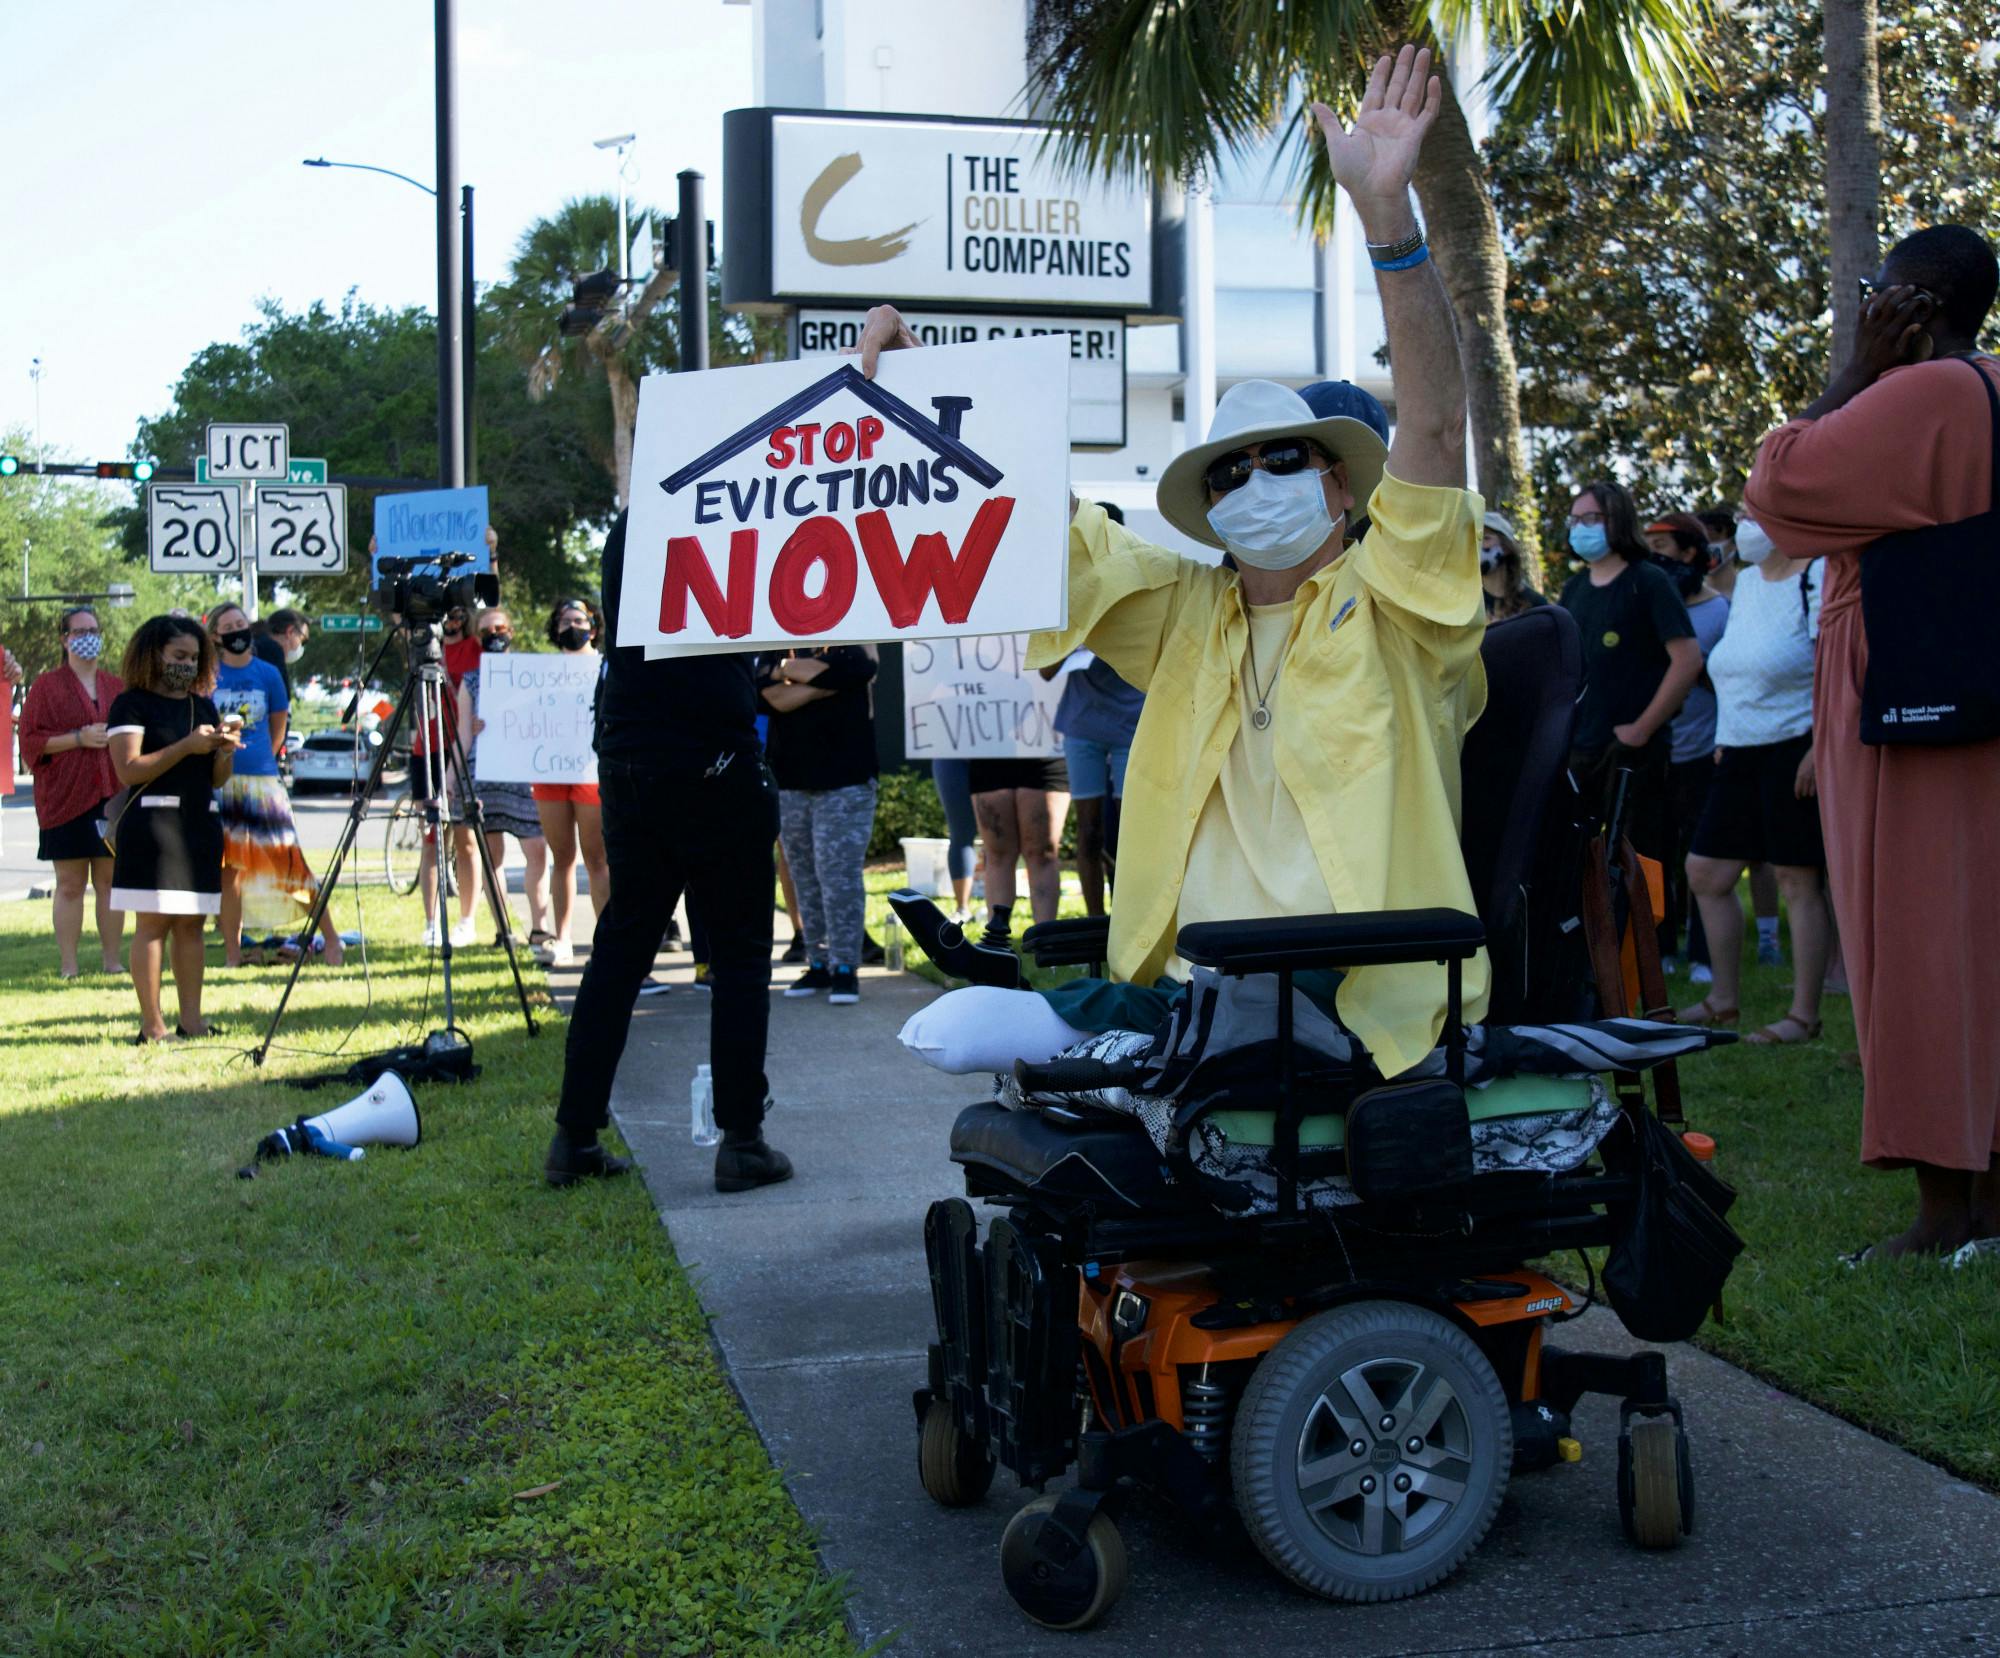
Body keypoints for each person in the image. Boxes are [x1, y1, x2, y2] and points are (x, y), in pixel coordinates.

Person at [886, 45, 1491, 1079]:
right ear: (1207, 513)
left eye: (1283, 459)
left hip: (1362, 1001)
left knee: (971, 1035)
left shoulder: (1400, 598)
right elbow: (1034, 519)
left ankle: (1102, 1029)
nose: (1256, 483)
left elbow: (1432, 423)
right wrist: (909, 387)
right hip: (1193, 986)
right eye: (1229, 473)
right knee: (951, 1041)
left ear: (1342, 485)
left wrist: (1386, 224)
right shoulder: (1182, 610)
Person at [1745, 223, 2000, 1258]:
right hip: (1969, 682)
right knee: (1971, 933)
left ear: (1909, 304)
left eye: (1869, 292)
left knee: (1911, 939)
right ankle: (1980, 1207)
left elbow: (1779, 488)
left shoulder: (1918, 391)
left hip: (1901, 687)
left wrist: (1847, 371)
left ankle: (1946, 1212)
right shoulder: (1986, 384)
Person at [548, 510, 790, 1193]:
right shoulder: (731, 510)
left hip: (631, 753)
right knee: (741, 953)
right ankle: (742, 1138)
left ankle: (575, 1133)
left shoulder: (631, 522)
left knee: (624, 946)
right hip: (712, 754)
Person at [1677, 515, 1828, 1043]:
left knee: (1796, 879)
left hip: (1795, 747)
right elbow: (1736, 665)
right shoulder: (1745, 585)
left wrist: (1819, 746)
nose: (1745, 524)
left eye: (1756, 512)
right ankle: (1723, 1001)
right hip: (1736, 748)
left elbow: (1838, 666)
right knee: (1707, 873)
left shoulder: (1821, 576)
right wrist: (1726, 730)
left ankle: (1804, 1017)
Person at [1558, 481, 1703, 877]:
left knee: (1640, 868)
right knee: (1576, 865)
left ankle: (1649, 940)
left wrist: (1642, 728)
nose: (1580, 528)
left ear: (1617, 520)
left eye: (1591, 518)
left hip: (1633, 755)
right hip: (1579, 749)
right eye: (1575, 519)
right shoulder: (1574, 589)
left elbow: (1687, 659)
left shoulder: (1648, 581)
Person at [105, 615, 240, 1041]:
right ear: (154, 654)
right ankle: (153, 1026)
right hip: (151, 827)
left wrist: (224, 750)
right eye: (179, 655)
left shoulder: (202, 706)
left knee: (191, 925)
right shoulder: (131, 704)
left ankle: (192, 1021)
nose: (187, 664)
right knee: (153, 924)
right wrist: (186, 746)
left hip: (198, 825)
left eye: (194, 657)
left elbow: (216, 778)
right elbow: (128, 770)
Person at [208, 604, 345, 968]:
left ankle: (332, 939)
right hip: (220, 784)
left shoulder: (267, 674)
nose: (237, 630)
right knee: (228, 872)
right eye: (228, 626)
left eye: (241, 624)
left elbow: (277, 726)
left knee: (289, 862)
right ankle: (233, 954)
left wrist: (260, 761)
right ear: (216, 635)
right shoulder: (207, 677)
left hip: (263, 782)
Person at [760, 644, 880, 1004]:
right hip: (791, 781)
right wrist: (826, 682)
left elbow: (859, 669)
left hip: (847, 780)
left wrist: (791, 676)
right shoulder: (775, 640)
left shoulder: (855, 639)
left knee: (838, 873)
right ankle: (818, 962)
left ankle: (845, 966)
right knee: (804, 875)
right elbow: (767, 696)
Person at [20, 606, 125, 977]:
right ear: (64, 639)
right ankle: (69, 965)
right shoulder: (46, 686)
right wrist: (78, 739)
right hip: (64, 798)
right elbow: (30, 741)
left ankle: (112, 961)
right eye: (79, 632)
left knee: (110, 882)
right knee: (69, 884)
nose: (87, 637)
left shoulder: (117, 686)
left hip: (112, 795)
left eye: (93, 629)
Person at [1646, 513, 1731, 969]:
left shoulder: (1720, 611)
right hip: (1656, 750)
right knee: (1655, 852)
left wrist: (1689, 666)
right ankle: (1660, 948)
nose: (1654, 561)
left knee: (1701, 854)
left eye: (1663, 551)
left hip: (1705, 750)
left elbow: (1728, 682)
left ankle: (1704, 956)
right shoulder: (1647, 603)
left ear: (1691, 554)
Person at [456, 606, 554, 952]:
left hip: (526, 773)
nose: (494, 634)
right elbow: (462, 734)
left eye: (499, 628)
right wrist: (454, 779)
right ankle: (504, 929)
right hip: (485, 772)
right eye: (486, 630)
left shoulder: (533, 673)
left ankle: (540, 926)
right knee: (491, 855)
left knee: (537, 849)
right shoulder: (470, 680)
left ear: (511, 630)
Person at [528, 598, 608, 966]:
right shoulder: (538, 671)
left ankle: (607, 942)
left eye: (578, 620)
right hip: (550, 772)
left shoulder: (607, 667)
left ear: (593, 627)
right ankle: (562, 940)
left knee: (597, 858)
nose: (570, 627)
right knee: (562, 857)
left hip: (591, 772)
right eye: (563, 621)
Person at [1044, 629, 1143, 917]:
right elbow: (1045, 671)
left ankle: (1129, 921)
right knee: (1089, 831)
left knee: (1131, 835)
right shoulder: (1078, 603)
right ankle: (1095, 925)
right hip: (1083, 724)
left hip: (1133, 723)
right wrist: (1079, 634)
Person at [413, 601, 485, 948]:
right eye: (445, 615)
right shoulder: (425, 647)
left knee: (465, 837)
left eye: (456, 615)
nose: (450, 622)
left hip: (463, 746)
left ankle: (466, 920)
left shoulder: (476, 648)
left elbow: (493, 611)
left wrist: (493, 556)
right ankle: (431, 922)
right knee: (431, 839)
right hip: (427, 747)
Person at [967, 749, 1070, 948]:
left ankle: (1046, 943)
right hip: (990, 750)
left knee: (1042, 854)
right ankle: (996, 942)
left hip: (1045, 752)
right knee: (997, 854)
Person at [930, 758, 978, 924]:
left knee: (999, 837)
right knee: (961, 834)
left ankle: (998, 910)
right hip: (951, 753)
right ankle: (962, 908)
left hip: (994, 755)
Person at [1479, 511, 1546, 619]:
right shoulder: (1465, 602)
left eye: (1485, 538)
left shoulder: (1534, 604)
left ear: (1506, 547)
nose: (1476, 545)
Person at [254, 607, 309, 698]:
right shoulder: (273, 654)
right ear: (290, 632)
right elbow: (281, 702)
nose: (301, 646)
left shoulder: (252, 645)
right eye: (303, 640)